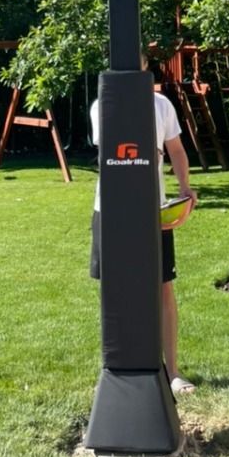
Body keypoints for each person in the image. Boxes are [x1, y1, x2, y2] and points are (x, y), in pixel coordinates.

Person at [89, 55, 198, 396]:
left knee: (163, 286)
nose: (131, 73)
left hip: (154, 210)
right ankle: (117, 369)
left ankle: (173, 372)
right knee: (114, 289)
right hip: (110, 210)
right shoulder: (102, 105)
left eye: (137, 66)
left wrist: (184, 188)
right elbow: (116, 156)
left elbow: (176, 150)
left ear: (145, 69)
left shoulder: (161, 105)